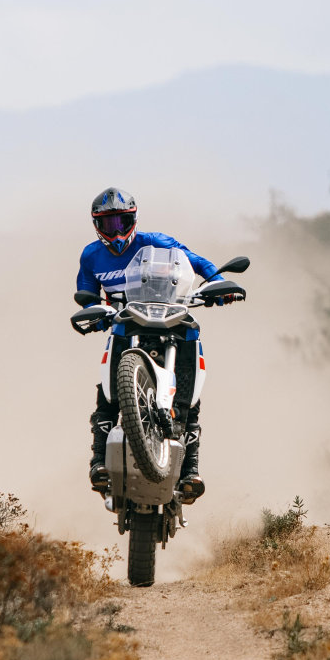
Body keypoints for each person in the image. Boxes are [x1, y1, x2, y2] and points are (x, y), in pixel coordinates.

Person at [76, 186, 232, 503]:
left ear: (133, 219)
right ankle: (98, 463)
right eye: (108, 224)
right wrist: (94, 312)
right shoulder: (91, 256)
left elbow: (196, 261)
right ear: (96, 225)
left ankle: (190, 471)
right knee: (107, 393)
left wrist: (217, 283)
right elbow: (87, 295)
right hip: (125, 324)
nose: (116, 231)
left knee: (189, 400)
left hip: (171, 318)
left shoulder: (156, 241)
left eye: (122, 221)